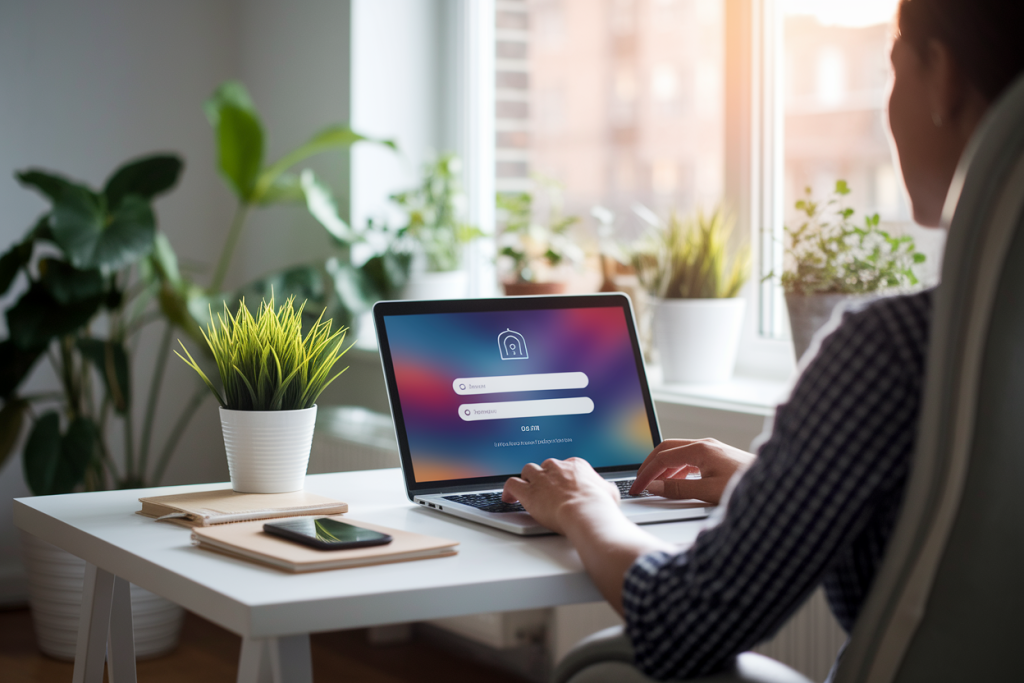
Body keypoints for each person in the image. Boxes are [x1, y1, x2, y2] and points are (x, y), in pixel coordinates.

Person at [500, 0, 1024, 679]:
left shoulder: (895, 349)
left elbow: (683, 622)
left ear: (942, 76)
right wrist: (771, 485)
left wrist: (582, 505)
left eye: (893, 71)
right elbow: (963, 538)